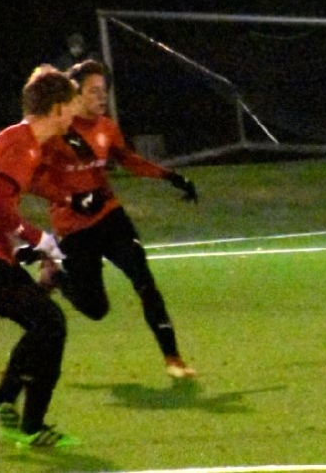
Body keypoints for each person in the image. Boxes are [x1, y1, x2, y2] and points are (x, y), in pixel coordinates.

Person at [30, 59, 199, 378]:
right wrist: (70, 199)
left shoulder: (106, 127)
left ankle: (173, 358)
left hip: (109, 217)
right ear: (75, 94)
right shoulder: (56, 131)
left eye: (104, 90)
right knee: (96, 310)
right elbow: (32, 179)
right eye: (94, 91)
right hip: (74, 228)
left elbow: (128, 160)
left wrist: (171, 177)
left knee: (144, 281)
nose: (101, 96)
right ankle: (56, 275)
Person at [0, 65, 80, 448]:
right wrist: (40, 240)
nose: (74, 114)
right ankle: (17, 415)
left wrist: (33, 250)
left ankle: (14, 412)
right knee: (49, 322)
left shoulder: (20, 142)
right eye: (72, 106)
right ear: (57, 108)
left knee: (45, 322)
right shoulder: (23, 145)